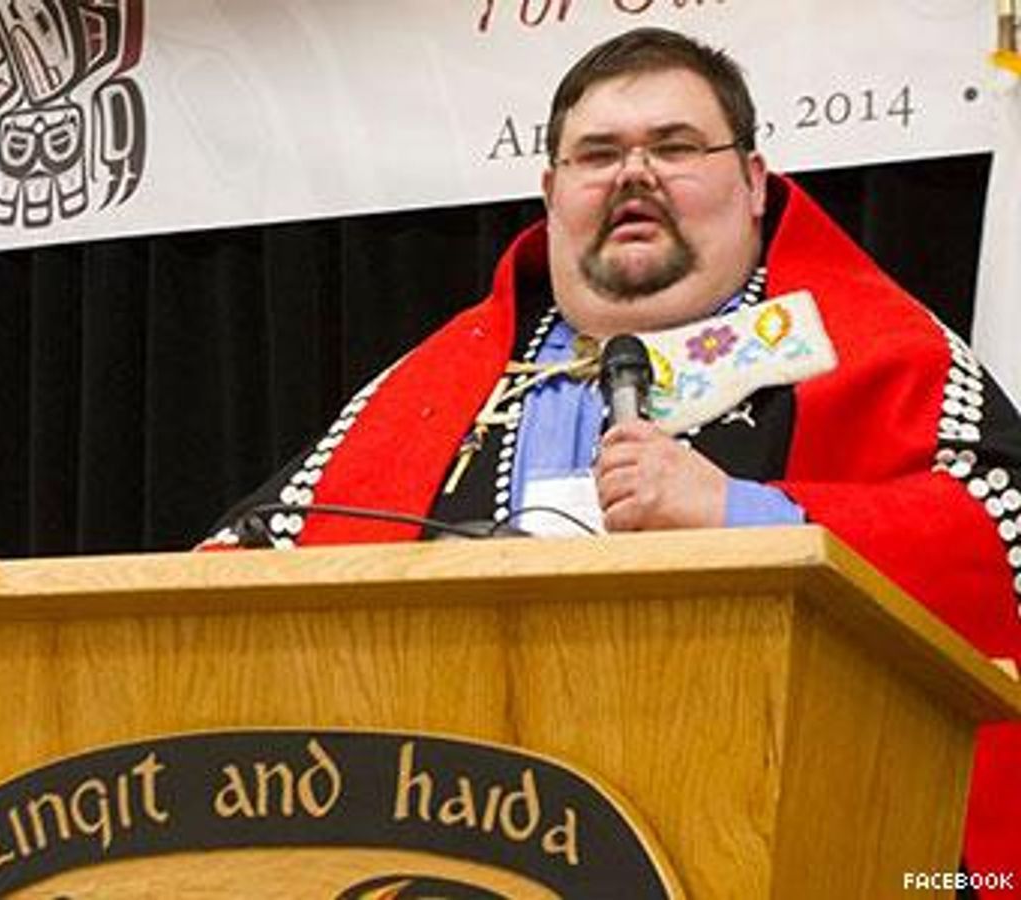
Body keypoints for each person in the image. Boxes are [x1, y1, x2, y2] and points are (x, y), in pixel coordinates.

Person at [200, 27, 1021, 888]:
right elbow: (239, 569)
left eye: (676, 147)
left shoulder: (872, 349)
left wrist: (743, 516)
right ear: (551, 192)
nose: (635, 174)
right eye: (598, 154)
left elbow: (1001, 537)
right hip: (464, 845)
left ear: (754, 183)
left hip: (771, 837)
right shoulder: (437, 383)